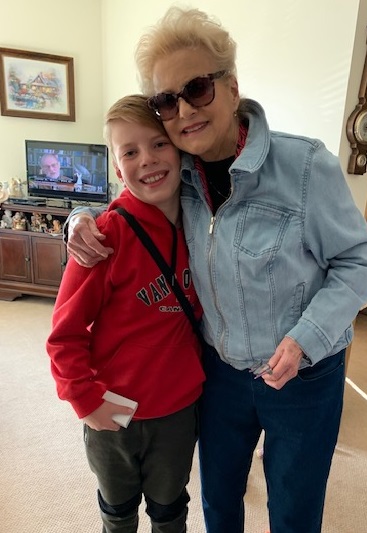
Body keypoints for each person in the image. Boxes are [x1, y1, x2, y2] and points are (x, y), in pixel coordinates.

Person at [64, 7, 367, 533]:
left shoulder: (305, 167)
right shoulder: (177, 175)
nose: (183, 110)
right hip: (220, 373)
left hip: (303, 376)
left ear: (231, 88)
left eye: (197, 88)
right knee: (218, 503)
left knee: (294, 511)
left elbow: (357, 260)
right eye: (166, 101)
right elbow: (131, 196)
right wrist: (78, 217)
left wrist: (304, 339)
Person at [46, 94, 205, 533]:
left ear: (179, 148)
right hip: (114, 409)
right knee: (118, 514)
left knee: (170, 509)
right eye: (130, 152)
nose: (148, 160)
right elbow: (64, 333)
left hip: (177, 408)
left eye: (158, 144)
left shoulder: (203, 222)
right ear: (118, 169)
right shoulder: (103, 238)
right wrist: (84, 399)